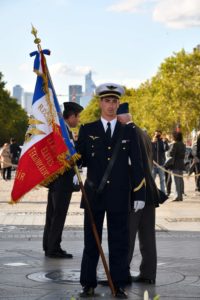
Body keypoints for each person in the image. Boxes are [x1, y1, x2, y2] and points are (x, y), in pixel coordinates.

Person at [77, 84, 146, 298]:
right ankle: (88, 283)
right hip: (93, 194)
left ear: (118, 104)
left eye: (114, 101)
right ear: (100, 103)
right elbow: (79, 158)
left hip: (119, 194)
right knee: (91, 241)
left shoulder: (129, 131)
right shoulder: (88, 130)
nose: (111, 105)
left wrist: (139, 194)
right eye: (107, 101)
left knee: (119, 242)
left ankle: (119, 284)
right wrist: (74, 166)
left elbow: (137, 164)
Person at [117, 103, 167, 285]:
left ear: (121, 117)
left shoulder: (128, 134)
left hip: (135, 191)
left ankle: (121, 274)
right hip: (149, 192)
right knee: (147, 237)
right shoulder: (144, 133)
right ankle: (148, 274)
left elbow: (130, 166)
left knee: (127, 235)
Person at [43, 102, 83, 258]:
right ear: (71, 116)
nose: (78, 120)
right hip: (61, 181)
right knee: (58, 215)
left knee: (52, 215)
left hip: (56, 181)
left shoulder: (63, 130)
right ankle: (53, 248)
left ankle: (49, 245)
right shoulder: (63, 132)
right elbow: (64, 156)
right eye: (77, 117)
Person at [168, 131, 186, 201]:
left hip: (175, 164)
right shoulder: (183, 144)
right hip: (181, 164)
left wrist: (169, 151)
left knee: (176, 181)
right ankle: (180, 196)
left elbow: (171, 153)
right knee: (180, 180)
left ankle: (177, 196)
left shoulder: (175, 144)